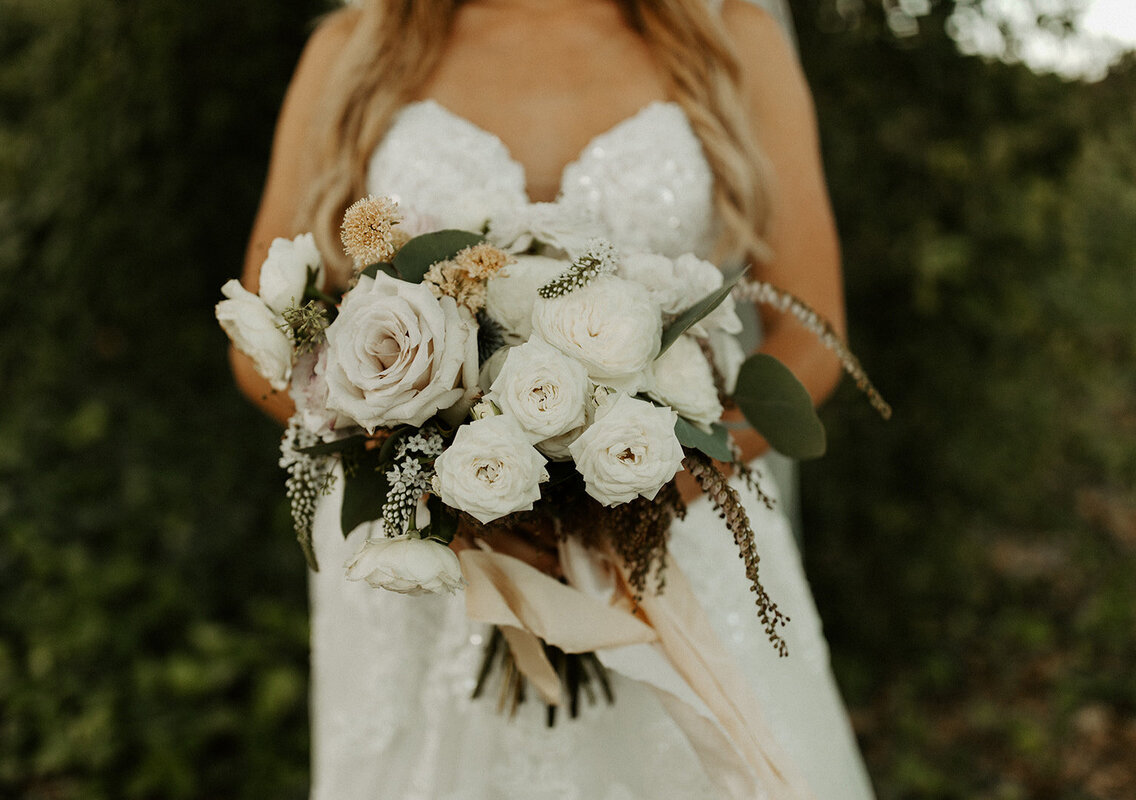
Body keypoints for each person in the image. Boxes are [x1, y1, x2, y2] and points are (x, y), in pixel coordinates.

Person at [231, 0, 876, 796]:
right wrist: (452, 493)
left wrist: (638, 489)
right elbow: (260, 336)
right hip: (431, 574)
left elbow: (812, 337)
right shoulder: (355, 46)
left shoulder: (732, 39)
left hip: (670, 540)